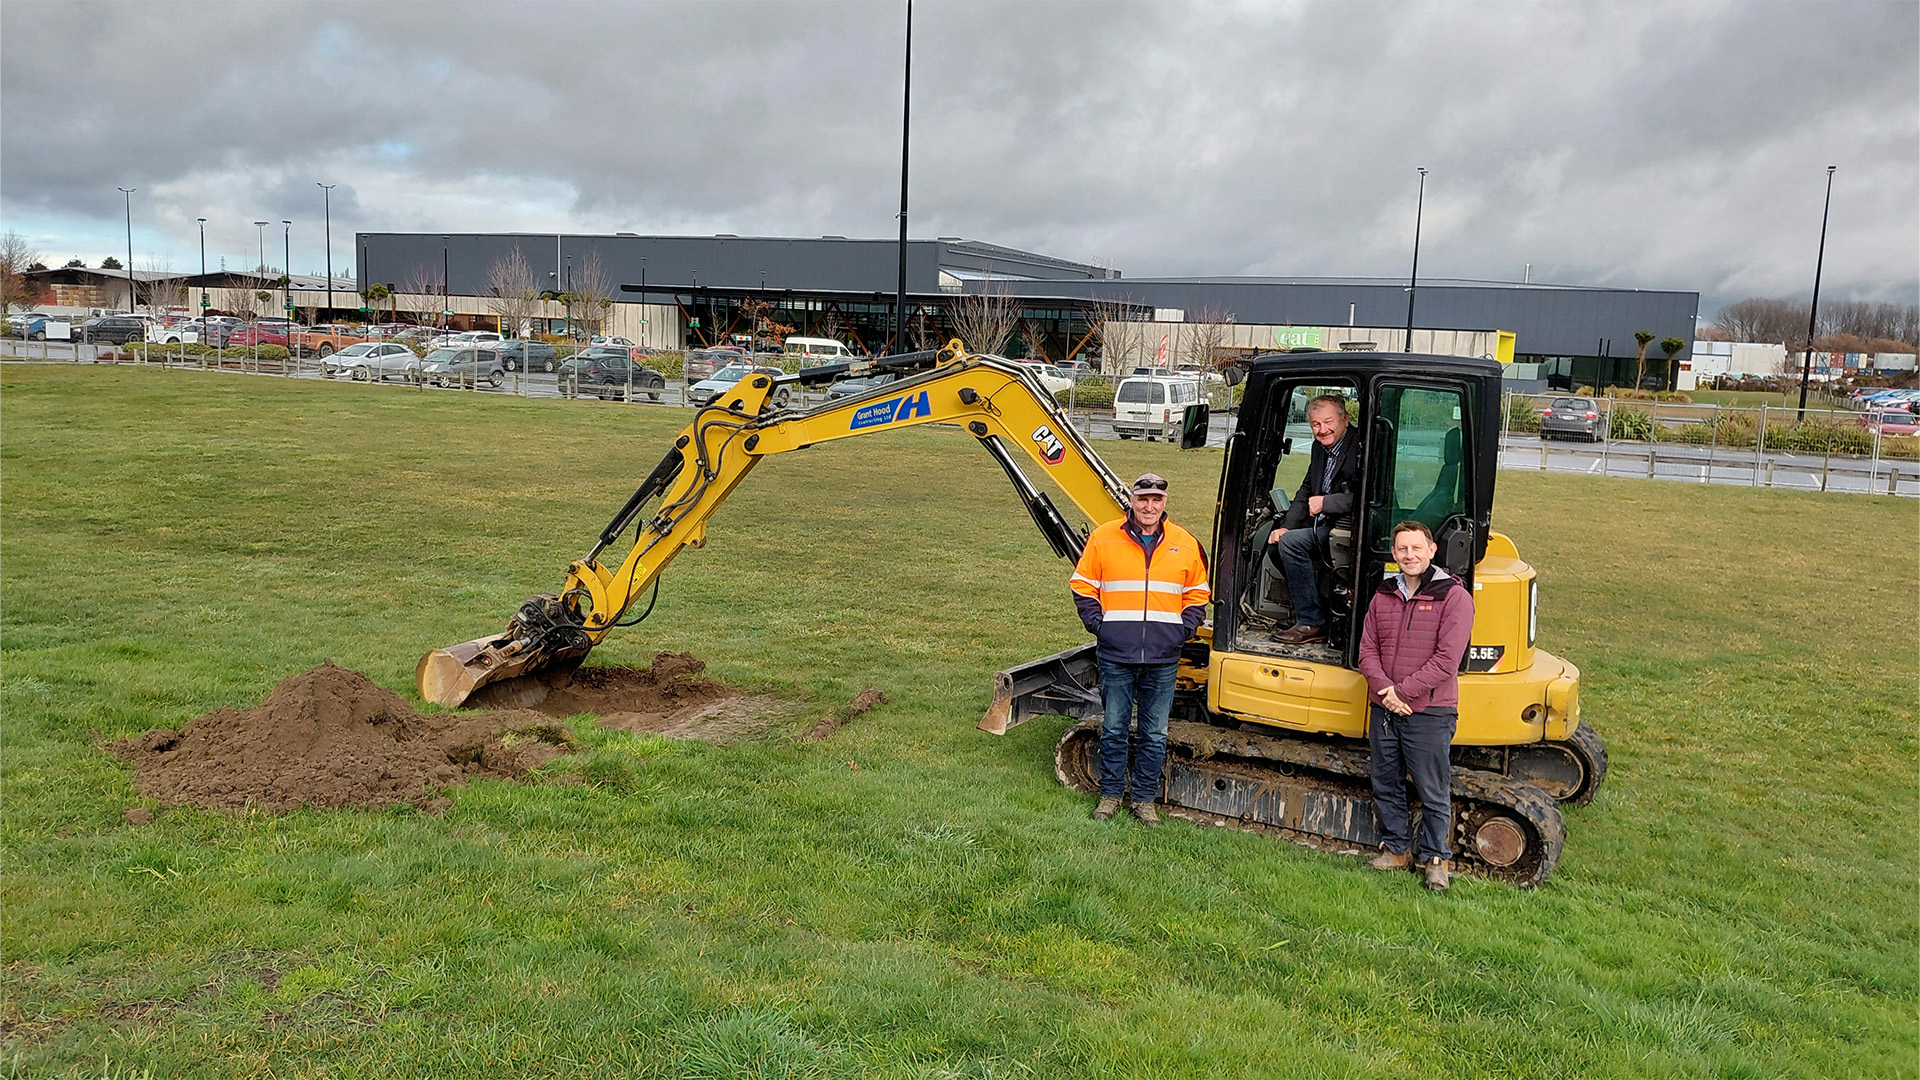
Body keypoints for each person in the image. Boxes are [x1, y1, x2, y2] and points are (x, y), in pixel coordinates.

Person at [1069, 473, 1211, 826]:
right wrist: (1100, 627)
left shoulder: (1184, 542)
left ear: (1165, 503)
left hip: (1163, 657)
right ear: (1131, 501)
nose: (1149, 506)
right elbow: (1083, 586)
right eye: (1143, 499)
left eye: (1156, 500)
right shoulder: (1104, 538)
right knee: (1115, 727)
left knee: (1155, 732)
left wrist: (1183, 630)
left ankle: (1144, 800)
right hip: (1116, 655)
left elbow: (1198, 593)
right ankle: (1111, 795)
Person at [1356, 520, 1475, 892]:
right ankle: (1395, 849)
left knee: (1431, 788)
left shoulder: (1454, 598)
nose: (1409, 555)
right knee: (1385, 781)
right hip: (1386, 708)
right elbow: (1366, 652)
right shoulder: (1384, 596)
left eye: (1416, 548)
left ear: (1431, 551)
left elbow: (1446, 660)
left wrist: (1401, 693)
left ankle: (1435, 858)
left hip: (1429, 712)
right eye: (1402, 549)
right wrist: (1386, 692)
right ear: (1394, 554)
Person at [1266, 394, 1359, 644]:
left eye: (1328, 422)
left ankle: (1311, 622)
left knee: (1292, 544)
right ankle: (1314, 609)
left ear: (1344, 419)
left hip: (1348, 525)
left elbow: (1367, 496)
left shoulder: (1361, 446)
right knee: (1276, 543)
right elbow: (1307, 489)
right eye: (1316, 425)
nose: (1322, 430)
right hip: (1323, 522)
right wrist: (1285, 526)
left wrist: (1326, 503)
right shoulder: (1320, 448)